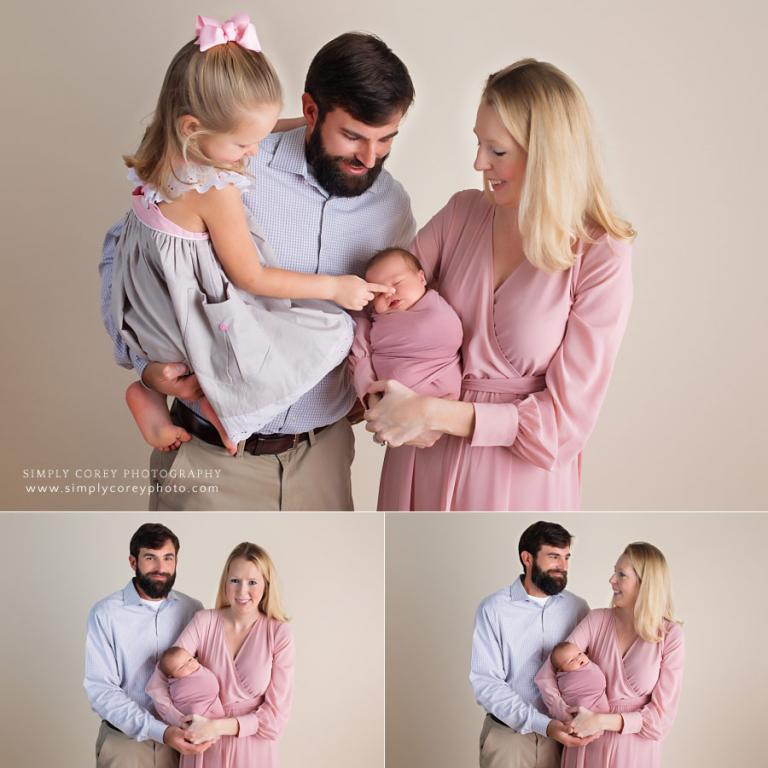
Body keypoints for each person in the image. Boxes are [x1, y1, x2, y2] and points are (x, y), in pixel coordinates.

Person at [100, 31, 416, 510]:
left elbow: (394, 320)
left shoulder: (391, 208)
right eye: (352, 136)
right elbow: (141, 267)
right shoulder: (228, 163)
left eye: (386, 140)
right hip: (209, 458)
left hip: (323, 459)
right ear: (310, 112)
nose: (369, 158)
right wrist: (147, 371)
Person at [364, 59, 634, 510]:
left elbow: (565, 425)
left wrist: (435, 412)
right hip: (419, 455)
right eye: (478, 143)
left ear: (548, 153)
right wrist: (373, 393)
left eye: (497, 150)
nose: (478, 162)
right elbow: (370, 307)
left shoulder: (601, 252)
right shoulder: (462, 213)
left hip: (516, 476)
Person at [534, 542, 685, 768]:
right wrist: (568, 715)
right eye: (614, 572)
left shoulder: (670, 636)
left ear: (645, 584)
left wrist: (600, 721)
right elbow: (546, 675)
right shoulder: (596, 620)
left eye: (621, 574)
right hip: (586, 745)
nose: (611, 580)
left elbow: (660, 721)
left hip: (635, 753)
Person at [146, 542, 294, 768]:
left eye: (252, 582)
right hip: (202, 748)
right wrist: (183, 722)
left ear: (266, 585)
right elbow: (158, 682)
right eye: (235, 580)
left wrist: (216, 727)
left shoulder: (278, 633)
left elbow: (275, 719)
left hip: (253, 752)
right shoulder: (204, 621)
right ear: (225, 583)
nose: (242, 591)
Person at [469, 521, 593, 768]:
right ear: (527, 558)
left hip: (566, 740)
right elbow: (487, 683)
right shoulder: (493, 609)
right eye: (554, 557)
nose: (563, 566)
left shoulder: (578, 608)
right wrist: (543, 724)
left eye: (567, 557)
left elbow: (587, 671)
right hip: (509, 739)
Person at [84, 523, 208, 768]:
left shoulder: (193, 609)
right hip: (125, 745)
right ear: (133, 562)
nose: (161, 568)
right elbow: (102, 691)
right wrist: (160, 731)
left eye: (168, 558)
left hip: (184, 743)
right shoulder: (105, 613)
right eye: (150, 558)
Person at [350, 247, 463, 404]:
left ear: (421, 279)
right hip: (389, 403)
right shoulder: (376, 318)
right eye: (378, 293)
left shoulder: (436, 311)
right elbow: (360, 328)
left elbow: (450, 336)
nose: (389, 293)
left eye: (397, 283)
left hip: (438, 397)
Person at [157, 647, 226, 719]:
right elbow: (179, 697)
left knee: (222, 721)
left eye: (190, 660)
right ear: (171, 676)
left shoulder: (200, 668)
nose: (189, 665)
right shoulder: (177, 686)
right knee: (196, 712)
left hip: (214, 702)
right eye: (182, 667)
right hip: (197, 710)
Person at [549, 642, 609, 714]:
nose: (579, 658)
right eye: (571, 660)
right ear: (561, 670)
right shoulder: (565, 678)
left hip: (599, 697)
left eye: (579, 653)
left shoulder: (589, 664)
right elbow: (566, 689)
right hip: (583, 704)